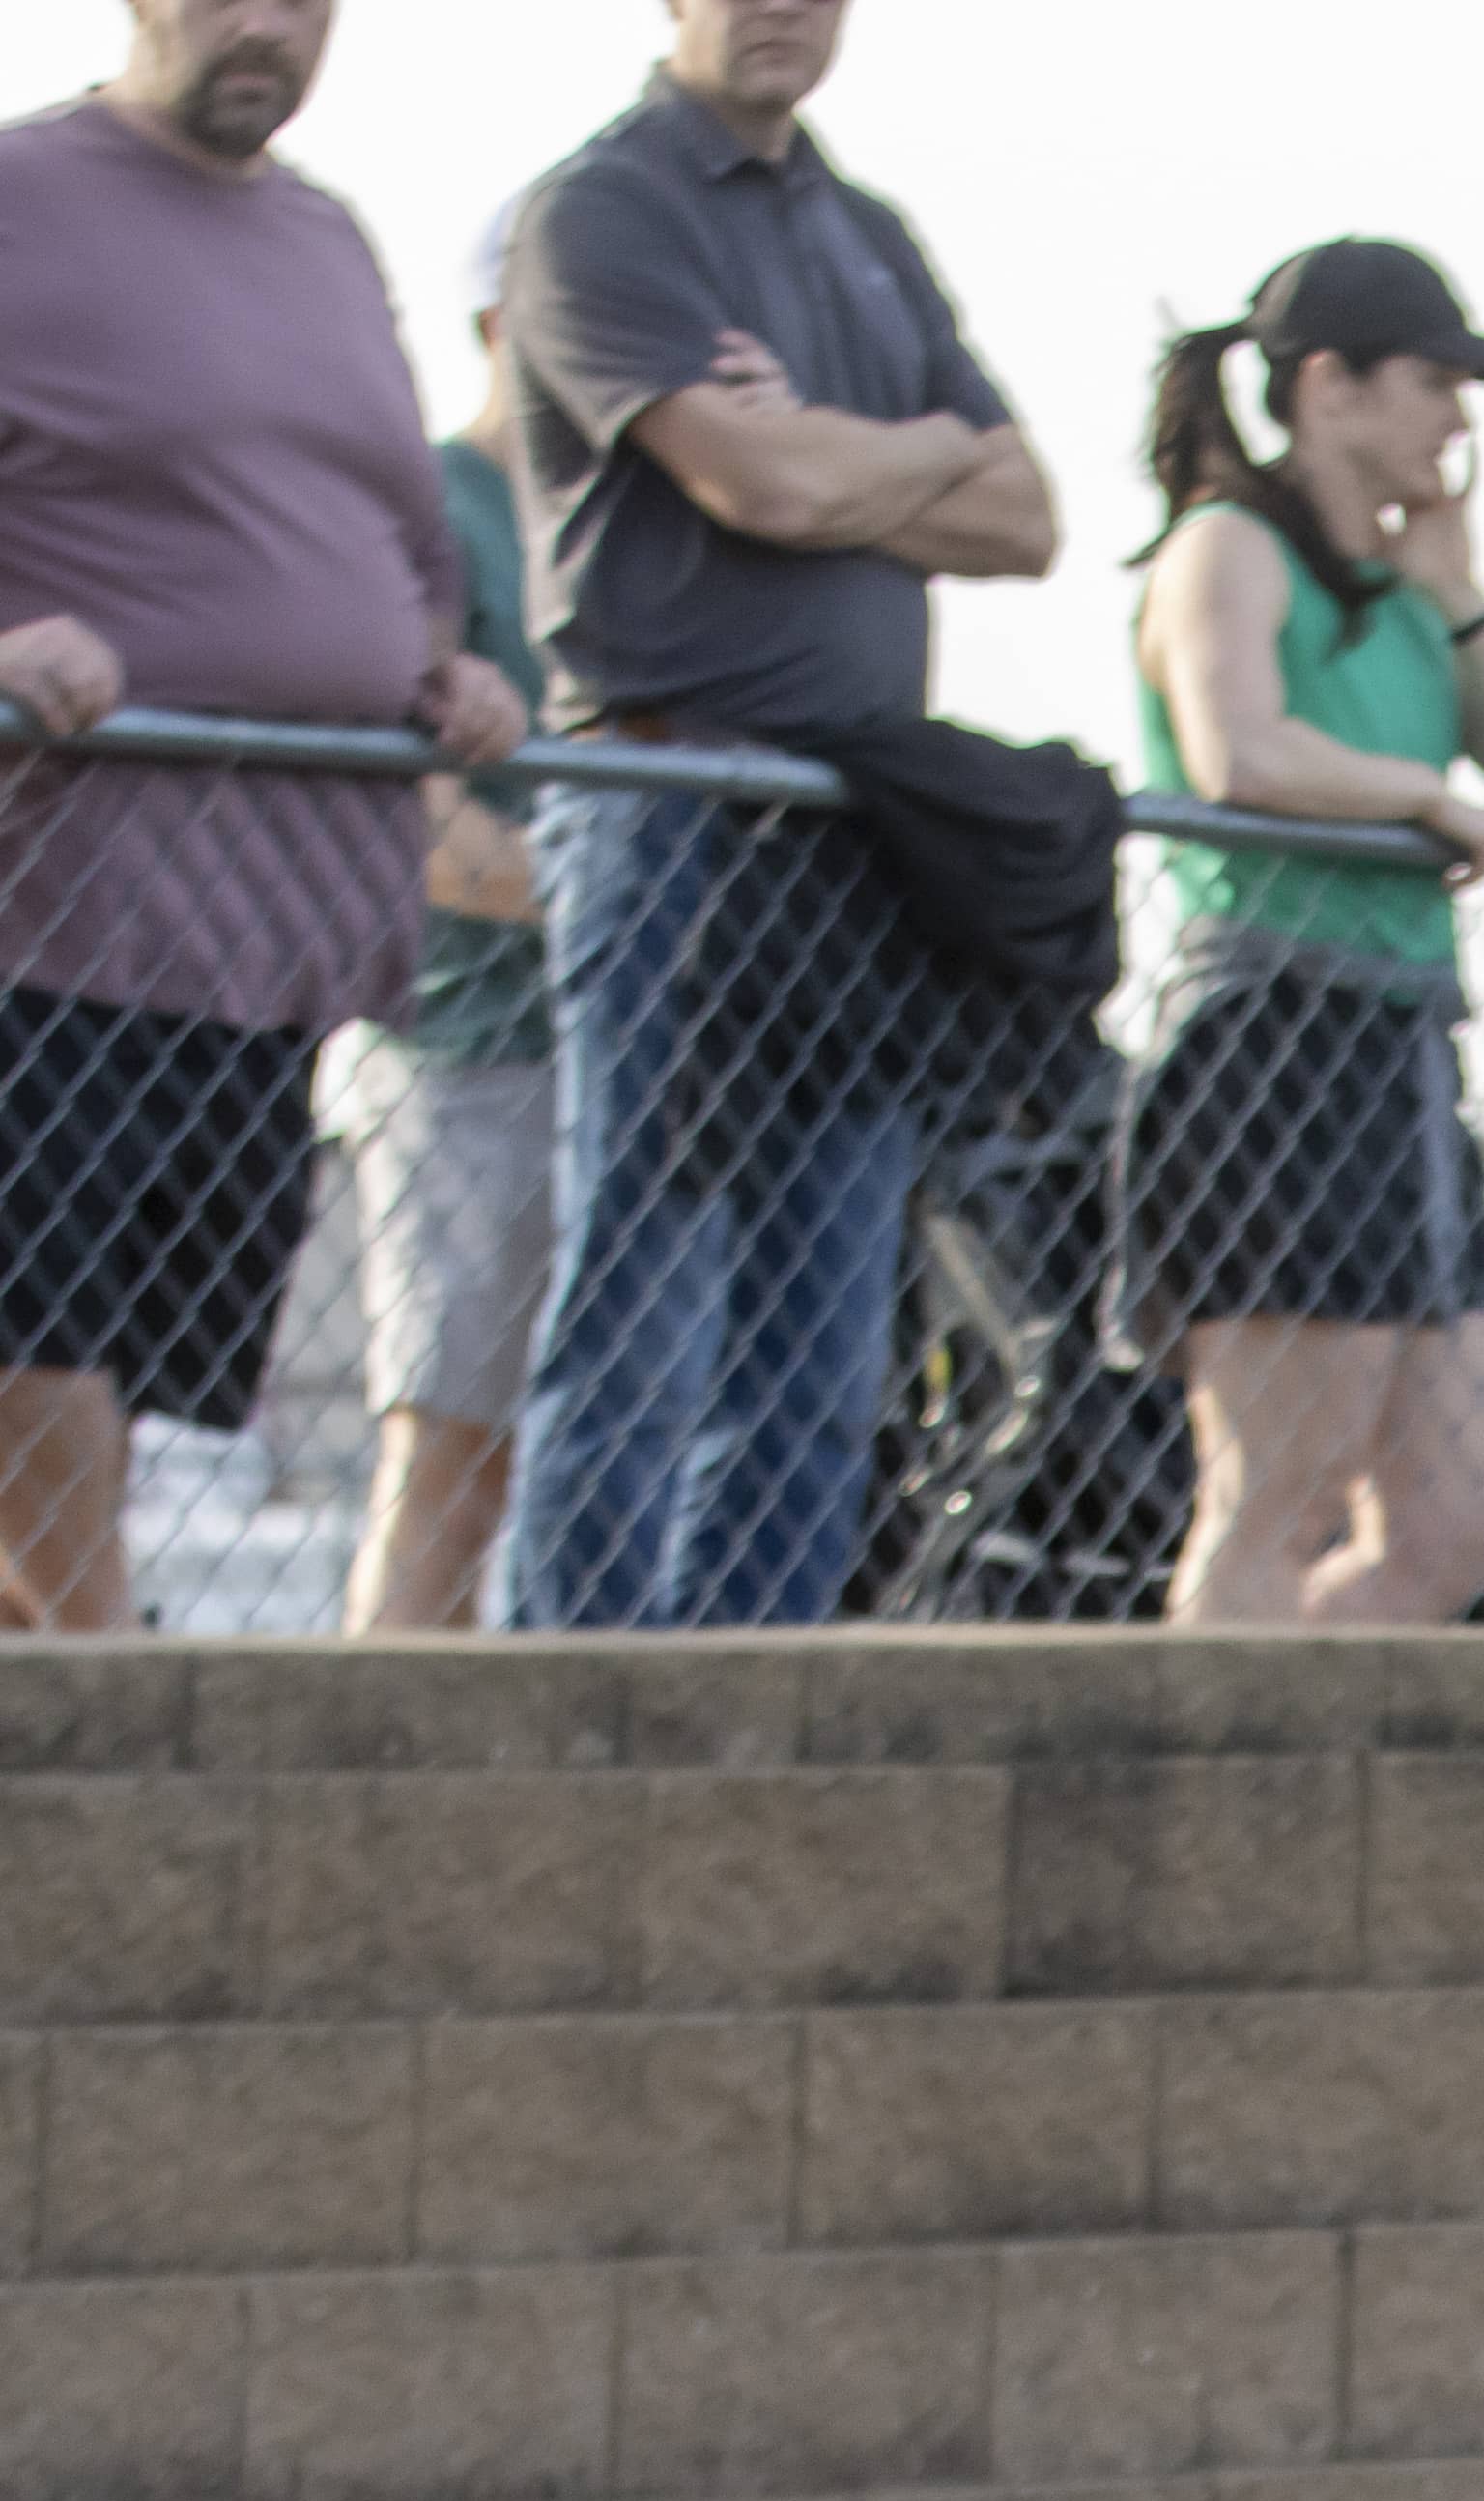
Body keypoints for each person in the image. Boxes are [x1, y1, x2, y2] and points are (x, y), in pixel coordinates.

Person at [500, 0, 1053, 1634]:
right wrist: (915, 453)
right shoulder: (601, 210)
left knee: (820, 1363)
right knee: (644, 1322)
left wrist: (830, 440)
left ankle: (748, 1728)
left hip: (856, 840)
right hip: (673, 812)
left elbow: (1027, 518)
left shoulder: (866, 229)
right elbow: (769, 492)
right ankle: (575, 1727)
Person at [0, 0, 513, 1639]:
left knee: (147, 1345)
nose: (265, 28)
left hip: (275, 909)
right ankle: (109, 1675)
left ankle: (63, 1662)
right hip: (54, 889)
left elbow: (398, 521)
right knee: (37, 1321)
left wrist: (445, 670)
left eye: (303, 1)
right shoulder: (24, 193)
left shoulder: (327, 237)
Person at [1121, 242, 1484, 1629]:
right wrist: (1421, 799)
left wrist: (1459, 596)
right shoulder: (1228, 544)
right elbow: (1239, 750)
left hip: (1405, 1042)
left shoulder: (1408, 595)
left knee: (1455, 1524)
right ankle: (1217, 1811)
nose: (1459, 423)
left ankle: (1298, 1764)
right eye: (1435, 383)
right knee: (1280, 1488)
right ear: (1327, 388)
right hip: (1275, 1031)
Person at [333, 188, 558, 1635]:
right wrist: (613, 909)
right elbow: (413, 822)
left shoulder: (636, 529)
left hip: (621, 1049)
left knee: (568, 1458)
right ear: (499, 322)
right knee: (448, 1458)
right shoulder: (431, 504)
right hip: (461, 1049)